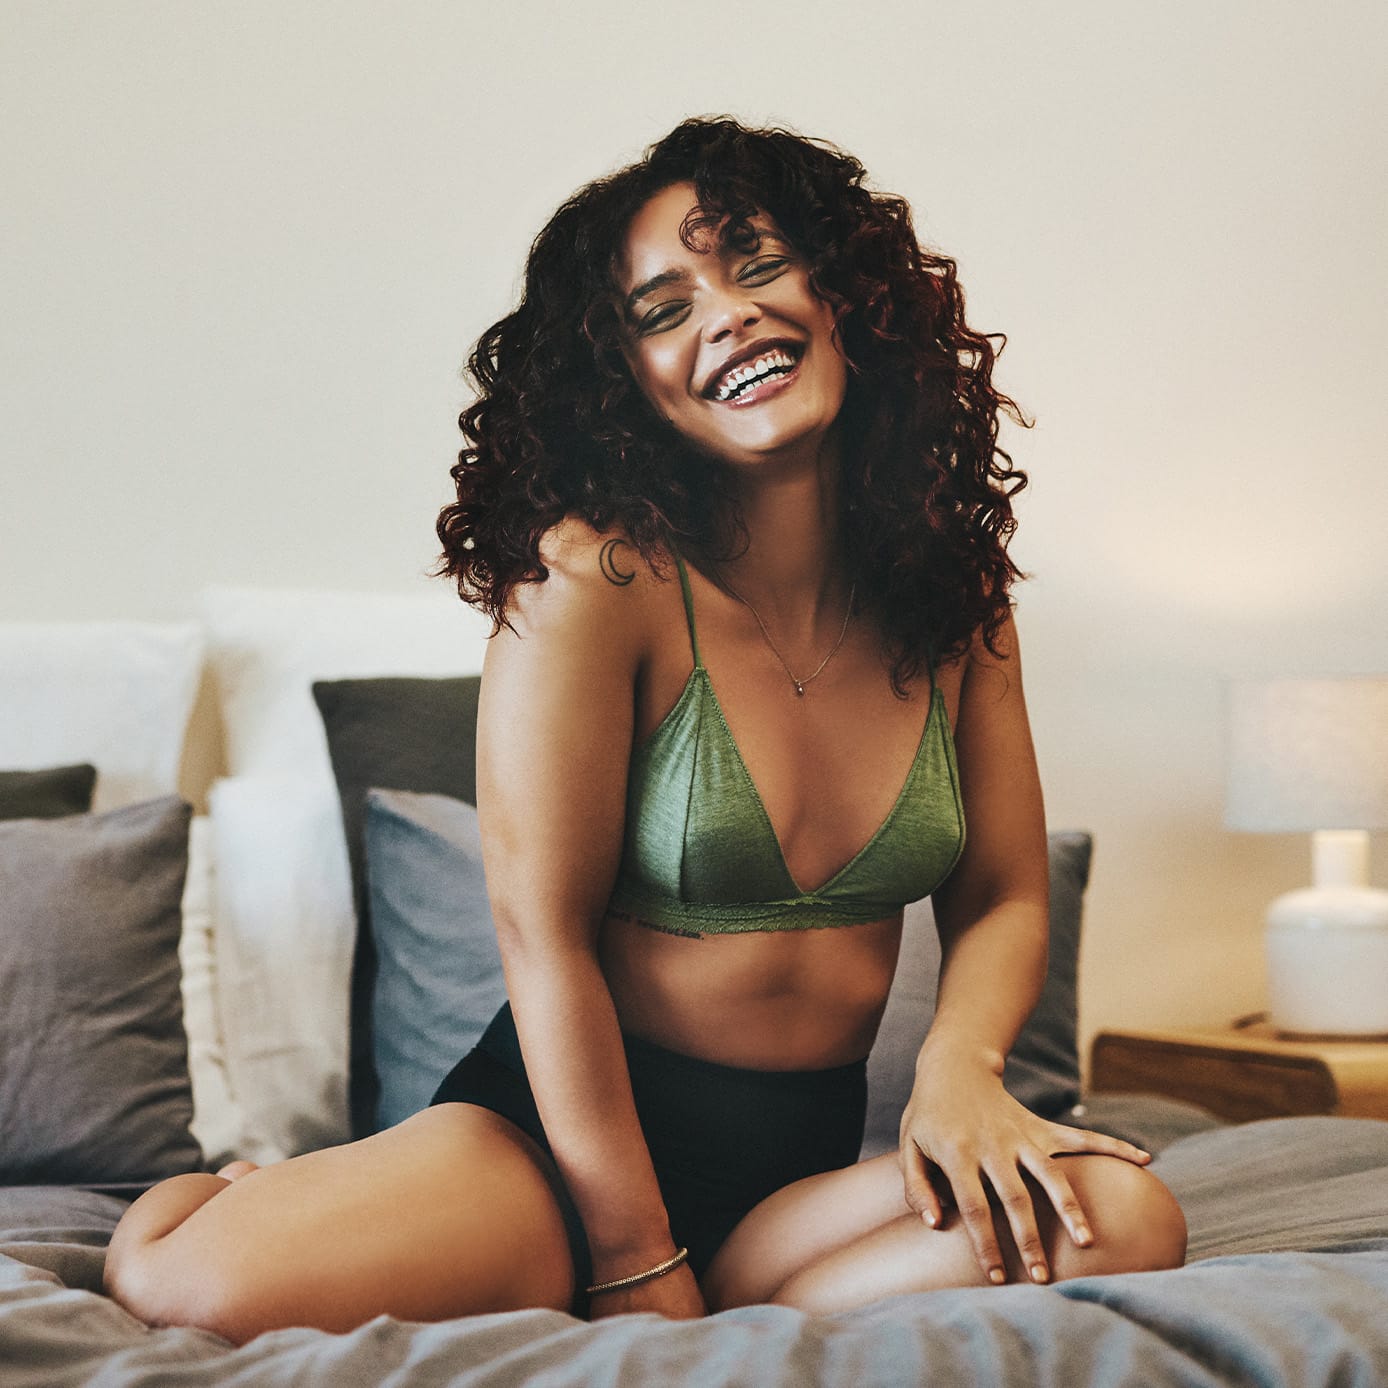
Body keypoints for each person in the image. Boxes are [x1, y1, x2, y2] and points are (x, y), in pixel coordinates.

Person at [103, 116, 1186, 1344]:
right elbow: (540, 929)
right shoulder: (593, 578)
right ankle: (241, 1197)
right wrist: (626, 1254)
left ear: (847, 295)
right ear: (625, 383)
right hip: (550, 1154)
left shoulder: (952, 598)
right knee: (184, 1290)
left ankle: (726, 1308)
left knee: (1124, 1212)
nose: (723, 314)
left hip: (788, 1178)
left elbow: (1002, 896)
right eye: (662, 309)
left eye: (756, 263)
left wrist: (959, 1070)